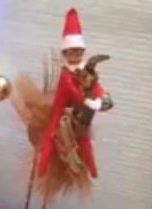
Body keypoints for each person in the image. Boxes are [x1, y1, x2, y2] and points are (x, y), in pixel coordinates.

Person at [37, 8, 107, 180]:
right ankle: (42, 170)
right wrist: (87, 100)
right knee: (51, 138)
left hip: (79, 113)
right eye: (72, 51)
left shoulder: (85, 70)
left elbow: (95, 85)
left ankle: (92, 169)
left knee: (84, 139)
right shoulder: (65, 73)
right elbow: (72, 91)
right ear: (65, 52)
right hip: (62, 110)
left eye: (79, 51)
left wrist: (100, 97)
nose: (75, 54)